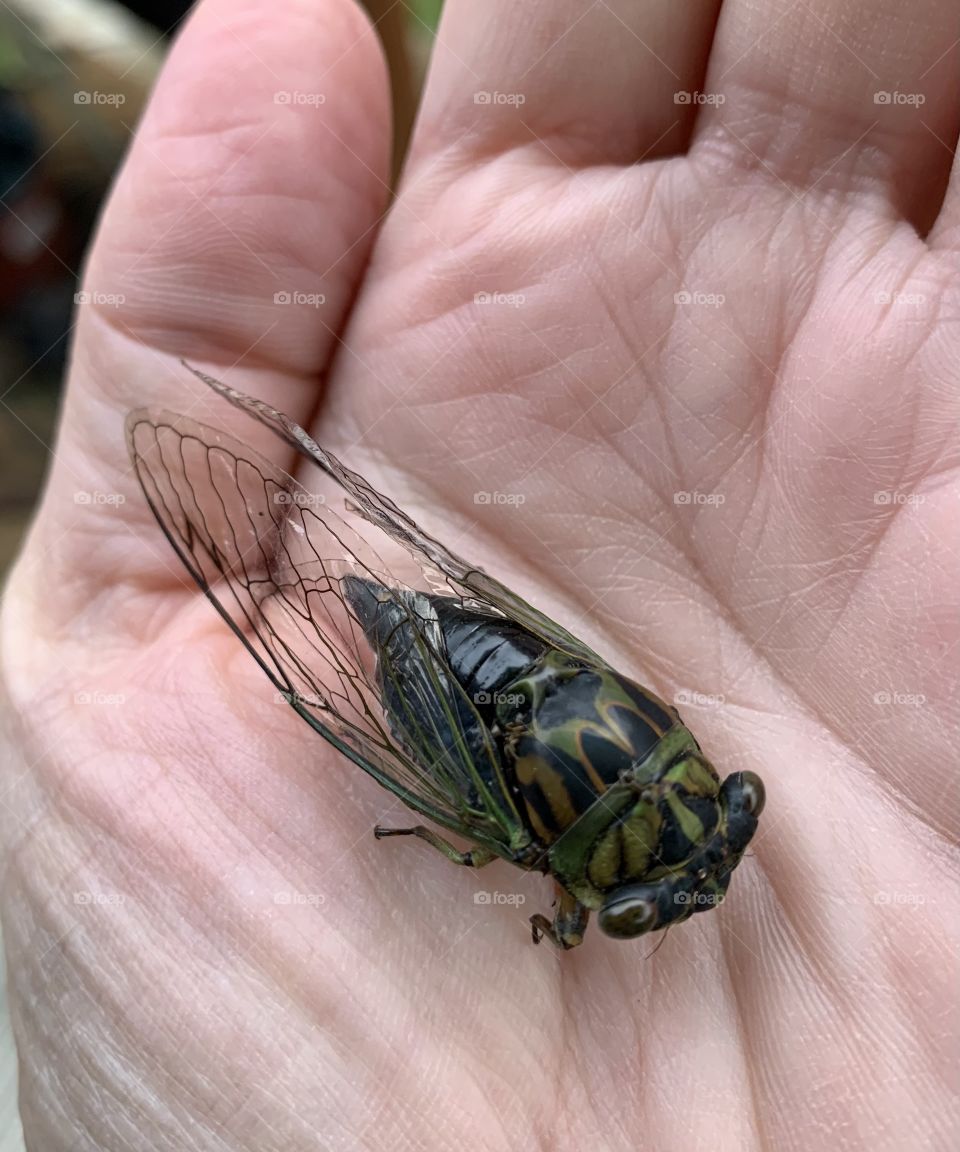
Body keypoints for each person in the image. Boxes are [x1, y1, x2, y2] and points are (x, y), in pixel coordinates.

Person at [1, 0, 957, 1147]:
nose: (699, 878)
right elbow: (499, 848)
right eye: (726, 818)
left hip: (504, 677)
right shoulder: (551, 849)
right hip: (475, 716)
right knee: (441, 795)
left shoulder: (643, 779)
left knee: (451, 787)